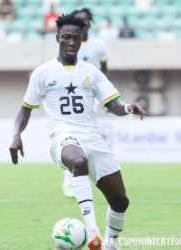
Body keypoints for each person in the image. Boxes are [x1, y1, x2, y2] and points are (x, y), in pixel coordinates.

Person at [9, 14, 145, 250]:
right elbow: (25, 110)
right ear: (57, 38)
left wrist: (127, 108)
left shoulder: (91, 71)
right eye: (66, 38)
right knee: (78, 160)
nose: (72, 43)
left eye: (76, 38)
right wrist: (16, 134)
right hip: (63, 138)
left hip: (93, 138)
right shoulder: (42, 73)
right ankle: (93, 234)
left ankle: (110, 245)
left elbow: (112, 105)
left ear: (82, 39)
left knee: (120, 201)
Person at [61, 8, 110, 198]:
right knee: (73, 136)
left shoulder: (99, 44)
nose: (84, 22)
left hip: (92, 95)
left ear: (90, 22)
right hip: (72, 95)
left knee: (86, 136)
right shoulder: (69, 43)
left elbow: (104, 71)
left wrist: (106, 95)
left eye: (86, 19)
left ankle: (81, 175)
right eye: (79, 19)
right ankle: (69, 179)